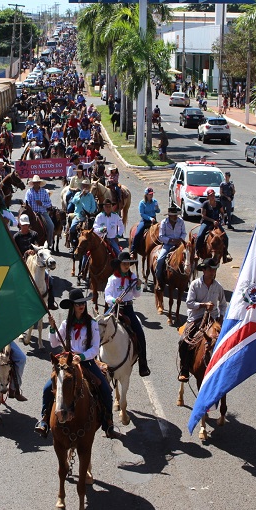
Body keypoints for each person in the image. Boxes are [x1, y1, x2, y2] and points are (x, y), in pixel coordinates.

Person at [36, 289, 122, 439]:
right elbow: (54, 342)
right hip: (67, 363)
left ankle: (108, 422)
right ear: (72, 307)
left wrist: (81, 357)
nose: (81, 306)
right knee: (47, 388)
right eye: (77, 304)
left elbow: (95, 348)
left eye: (82, 303)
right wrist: (51, 327)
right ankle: (44, 419)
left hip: (87, 362)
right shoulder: (65, 324)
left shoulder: (92, 323)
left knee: (106, 389)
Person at [178, 257, 226, 382]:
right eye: (210, 270)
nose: (212, 272)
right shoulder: (195, 284)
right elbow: (189, 303)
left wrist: (221, 317)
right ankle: (184, 369)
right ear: (203, 270)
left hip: (213, 319)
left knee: (226, 340)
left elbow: (223, 304)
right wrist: (204, 305)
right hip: (196, 317)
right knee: (183, 341)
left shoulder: (218, 286)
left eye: (214, 270)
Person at [105, 251, 150, 376]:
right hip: (115, 309)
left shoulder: (133, 277)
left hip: (128, 309)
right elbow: (107, 296)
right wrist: (114, 300)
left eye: (128, 263)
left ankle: (143, 364)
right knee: (101, 330)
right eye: (124, 263)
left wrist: (139, 286)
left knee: (140, 333)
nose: (126, 266)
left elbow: (136, 295)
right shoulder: (113, 279)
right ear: (119, 264)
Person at [154, 206, 187, 287]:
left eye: (176, 215)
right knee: (160, 259)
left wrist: (180, 239)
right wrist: (171, 240)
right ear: (169, 216)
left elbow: (184, 233)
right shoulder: (163, 223)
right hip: (168, 244)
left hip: (180, 244)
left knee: (189, 259)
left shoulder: (181, 221)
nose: (176, 217)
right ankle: (159, 279)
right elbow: (161, 236)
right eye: (174, 215)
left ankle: (187, 281)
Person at [195, 189, 231, 262]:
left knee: (225, 237)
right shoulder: (205, 204)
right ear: (208, 196)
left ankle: (225, 254)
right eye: (211, 195)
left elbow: (222, 213)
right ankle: (197, 251)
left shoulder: (218, 203)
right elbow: (203, 215)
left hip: (216, 223)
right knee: (200, 235)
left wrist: (223, 220)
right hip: (207, 222)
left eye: (213, 195)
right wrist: (212, 221)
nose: (213, 196)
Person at [24, 175, 54, 249]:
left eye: (37, 182)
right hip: (32, 212)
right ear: (33, 183)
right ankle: (23, 242)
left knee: (51, 226)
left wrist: (42, 204)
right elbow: (26, 203)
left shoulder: (44, 192)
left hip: (42, 212)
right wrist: (31, 210)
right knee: (23, 223)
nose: (36, 184)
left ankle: (49, 243)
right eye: (35, 182)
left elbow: (49, 203)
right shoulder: (29, 192)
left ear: (39, 183)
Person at [130, 187, 160, 258]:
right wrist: (150, 218)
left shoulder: (154, 201)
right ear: (146, 195)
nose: (151, 195)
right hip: (145, 220)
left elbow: (158, 211)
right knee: (138, 233)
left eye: (152, 194)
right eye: (150, 194)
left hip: (154, 220)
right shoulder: (142, 203)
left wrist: (157, 208)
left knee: (161, 231)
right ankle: (133, 250)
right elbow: (142, 214)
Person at [69, 179, 97, 246]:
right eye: (84, 186)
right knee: (72, 227)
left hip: (88, 216)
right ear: (81, 187)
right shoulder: (77, 194)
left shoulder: (90, 196)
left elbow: (93, 207)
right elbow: (74, 201)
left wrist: (89, 213)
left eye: (86, 186)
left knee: (95, 228)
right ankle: (73, 243)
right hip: (78, 215)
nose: (85, 187)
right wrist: (81, 195)